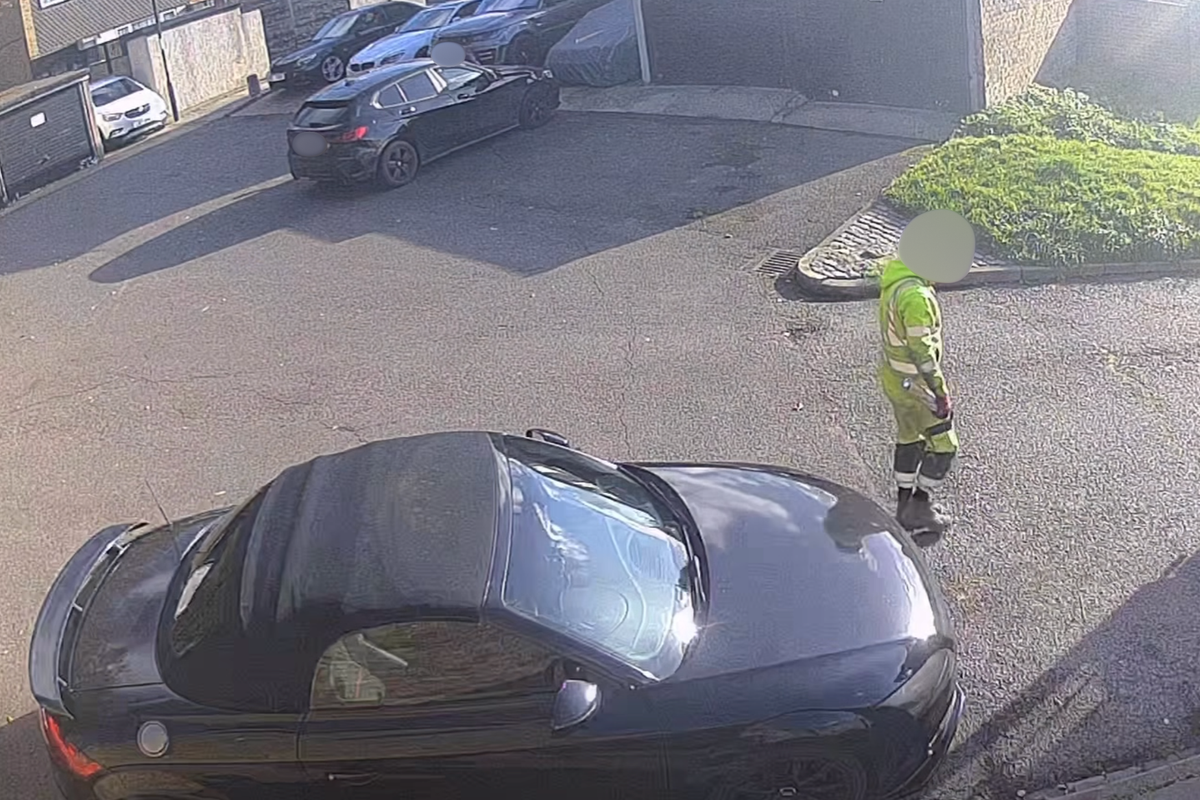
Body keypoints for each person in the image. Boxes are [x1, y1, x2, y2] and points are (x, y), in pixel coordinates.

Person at [877, 257, 958, 534]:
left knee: (910, 438)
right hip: (918, 385)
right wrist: (940, 391)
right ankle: (920, 508)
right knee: (945, 445)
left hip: (896, 380)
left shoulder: (897, 283)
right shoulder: (916, 297)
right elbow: (921, 352)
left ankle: (903, 506)